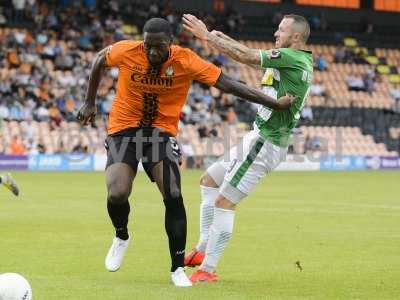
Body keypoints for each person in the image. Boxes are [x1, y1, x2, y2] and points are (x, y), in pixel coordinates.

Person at [76, 18, 294, 287]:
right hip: (124, 130)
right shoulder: (127, 50)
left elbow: (228, 84)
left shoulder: (186, 60)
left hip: (160, 133)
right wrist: (89, 102)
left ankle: (177, 268)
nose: (152, 52)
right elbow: (99, 59)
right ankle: (121, 235)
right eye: (148, 46)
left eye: (159, 47)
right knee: (118, 192)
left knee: (173, 193)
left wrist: (273, 103)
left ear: (170, 43)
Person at [182, 13, 313, 283]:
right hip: (257, 136)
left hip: (265, 143)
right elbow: (247, 55)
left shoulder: (291, 57)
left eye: (281, 30)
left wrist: (207, 37)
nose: (276, 33)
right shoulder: (292, 61)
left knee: (224, 202)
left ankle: (207, 268)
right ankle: (201, 250)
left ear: (296, 37)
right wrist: (220, 37)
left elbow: (248, 57)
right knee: (209, 181)